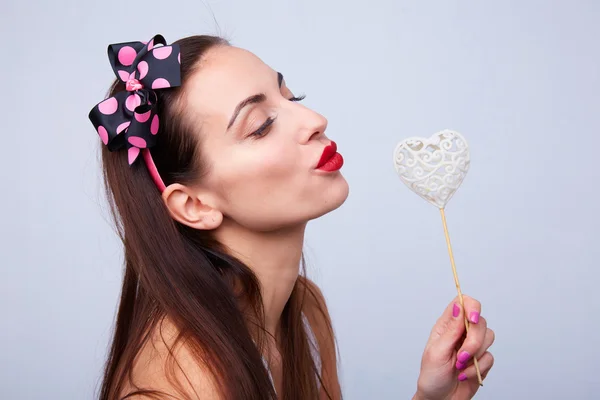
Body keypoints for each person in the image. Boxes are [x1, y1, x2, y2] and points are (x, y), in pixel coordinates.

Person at [89, 34, 495, 400]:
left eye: (291, 97)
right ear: (194, 205)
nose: (315, 121)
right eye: (261, 126)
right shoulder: (182, 386)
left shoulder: (302, 312)